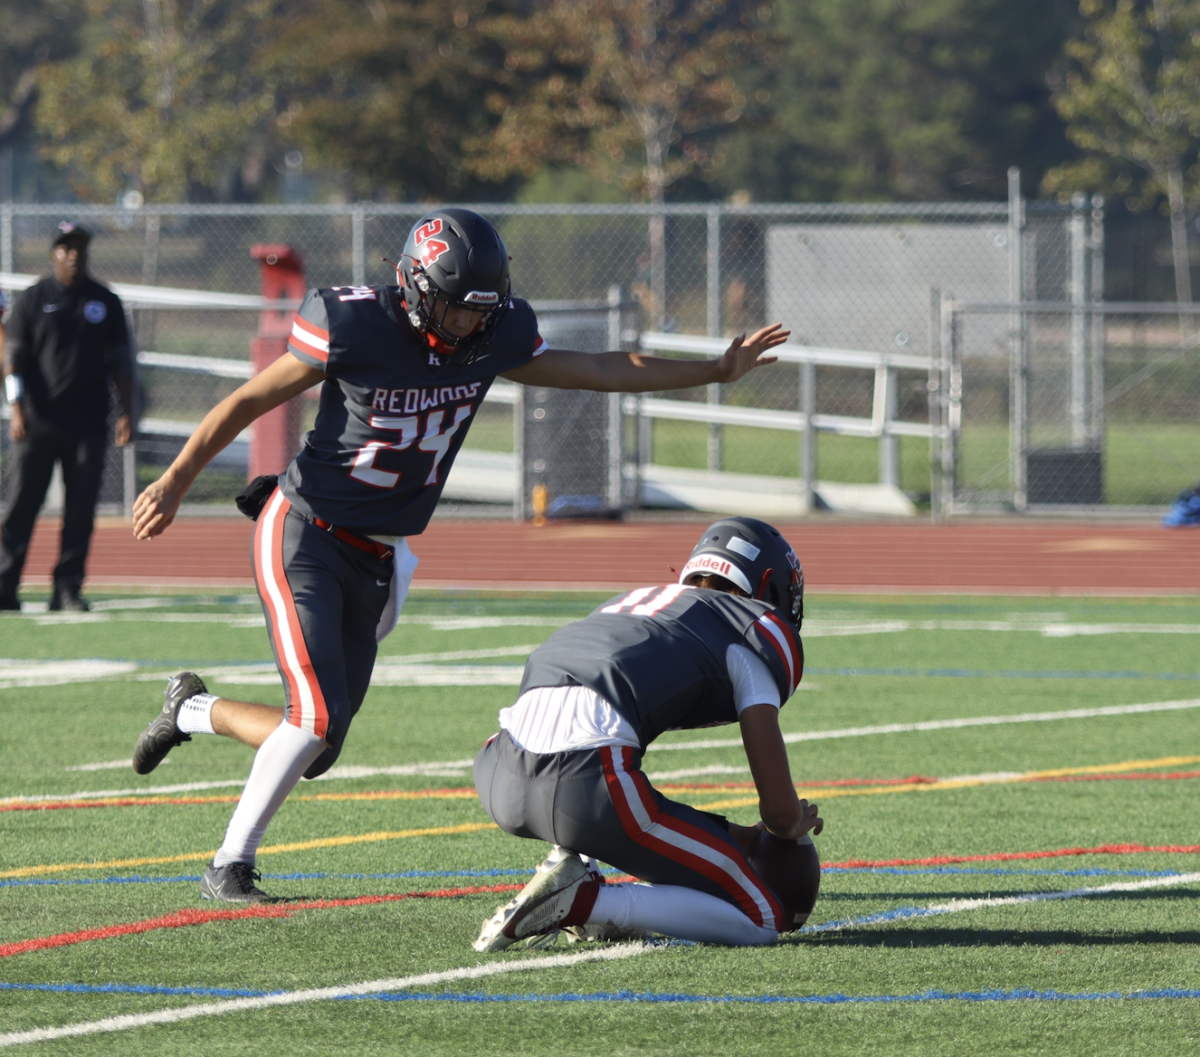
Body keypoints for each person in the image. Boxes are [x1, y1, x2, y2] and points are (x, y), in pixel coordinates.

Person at [127, 207, 792, 904]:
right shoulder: (353, 324)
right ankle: (230, 864)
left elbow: (598, 367)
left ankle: (192, 709)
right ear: (415, 287)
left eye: (483, 311)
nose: (472, 324)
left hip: (382, 554)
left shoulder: (490, 336)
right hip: (304, 533)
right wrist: (176, 479)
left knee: (316, 744)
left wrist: (712, 370)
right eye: (457, 308)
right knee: (316, 717)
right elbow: (247, 400)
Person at [472, 516, 819, 950]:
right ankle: (587, 901)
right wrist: (785, 825)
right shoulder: (750, 628)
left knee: (611, 759)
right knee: (763, 917)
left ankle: (574, 867)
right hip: (584, 784)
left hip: (497, 769)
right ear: (769, 584)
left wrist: (743, 837)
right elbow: (781, 812)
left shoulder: (630, 601)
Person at [0, 222, 134, 612]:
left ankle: (68, 587)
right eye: (66, 248)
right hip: (38, 420)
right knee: (22, 503)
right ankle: (5, 585)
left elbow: (122, 362)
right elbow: (13, 362)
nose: (73, 255)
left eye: (80, 248)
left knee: (80, 507)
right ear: (53, 254)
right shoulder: (32, 299)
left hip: (88, 421)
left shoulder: (105, 301)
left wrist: (127, 410)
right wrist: (16, 409)